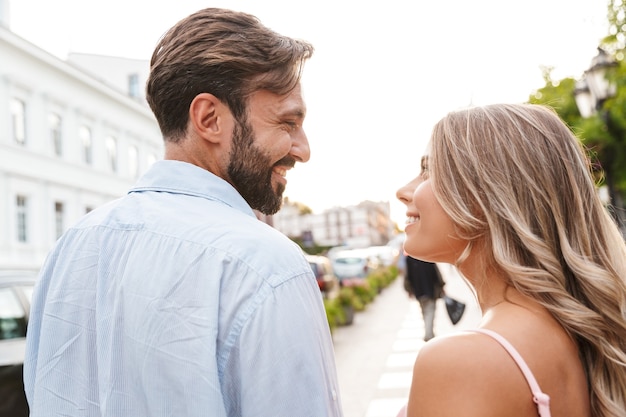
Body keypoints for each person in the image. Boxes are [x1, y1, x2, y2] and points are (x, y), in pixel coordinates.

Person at [24, 8, 343, 417]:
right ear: (209, 118)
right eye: (287, 122)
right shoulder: (266, 268)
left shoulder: (70, 249)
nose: (303, 149)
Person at [395, 103, 626, 417]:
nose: (403, 191)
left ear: (483, 197)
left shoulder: (462, 362)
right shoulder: (573, 332)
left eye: (428, 170)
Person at [402, 254, 445, 341]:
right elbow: (436, 272)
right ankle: (429, 334)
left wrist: (409, 290)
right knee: (430, 312)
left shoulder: (409, 259)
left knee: (425, 312)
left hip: (419, 291)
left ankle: (430, 333)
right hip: (430, 290)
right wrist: (441, 285)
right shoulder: (427, 256)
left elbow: (407, 276)